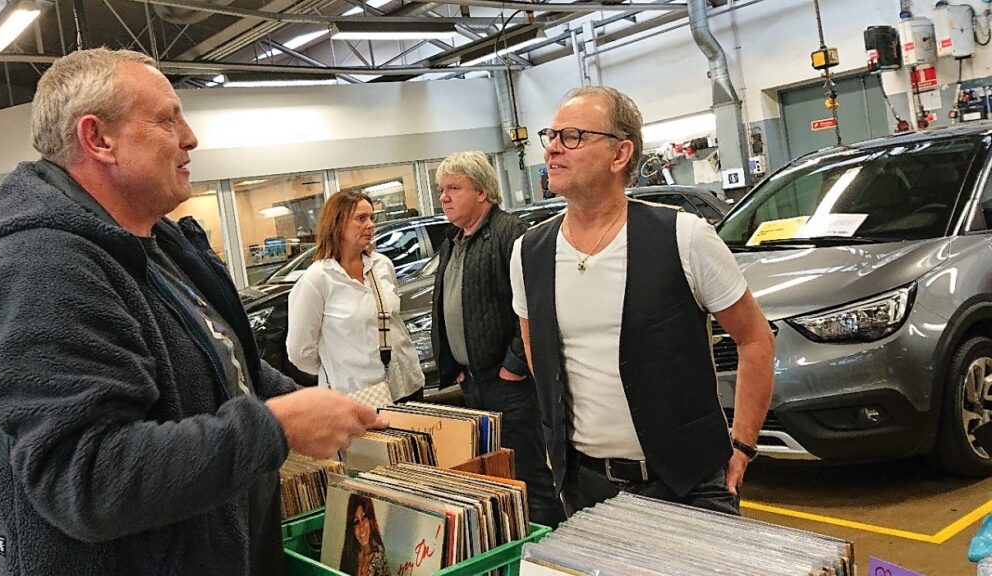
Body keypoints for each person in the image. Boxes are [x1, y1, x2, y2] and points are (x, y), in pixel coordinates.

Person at [0, 48, 383, 576]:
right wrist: (276, 427)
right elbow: (87, 477)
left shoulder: (150, 245)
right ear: (98, 139)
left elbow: (223, 365)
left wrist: (313, 402)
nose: (190, 138)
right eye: (167, 119)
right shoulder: (42, 265)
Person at [510, 86, 775, 517]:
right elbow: (540, 357)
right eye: (551, 135)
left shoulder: (683, 237)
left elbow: (755, 338)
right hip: (585, 488)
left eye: (572, 136)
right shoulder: (528, 252)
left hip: (689, 483)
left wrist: (743, 445)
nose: (553, 149)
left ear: (620, 155)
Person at [431, 151, 565, 527]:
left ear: (483, 192)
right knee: (498, 480)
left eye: (454, 188)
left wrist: (515, 365)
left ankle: (548, 550)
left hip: (509, 384)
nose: (444, 197)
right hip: (473, 383)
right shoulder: (454, 240)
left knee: (530, 477)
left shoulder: (511, 234)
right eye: (442, 189)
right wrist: (456, 369)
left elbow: (537, 306)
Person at [287, 190, 424, 402]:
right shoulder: (318, 278)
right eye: (361, 218)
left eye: (372, 218)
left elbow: (394, 321)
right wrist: (339, 369)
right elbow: (299, 351)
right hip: (361, 396)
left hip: (407, 384)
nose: (370, 225)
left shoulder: (382, 265)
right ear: (337, 224)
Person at [340, 494, 391, 576]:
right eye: (356, 522)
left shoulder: (379, 556)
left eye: (364, 518)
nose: (361, 527)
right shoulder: (350, 557)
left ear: (370, 520)